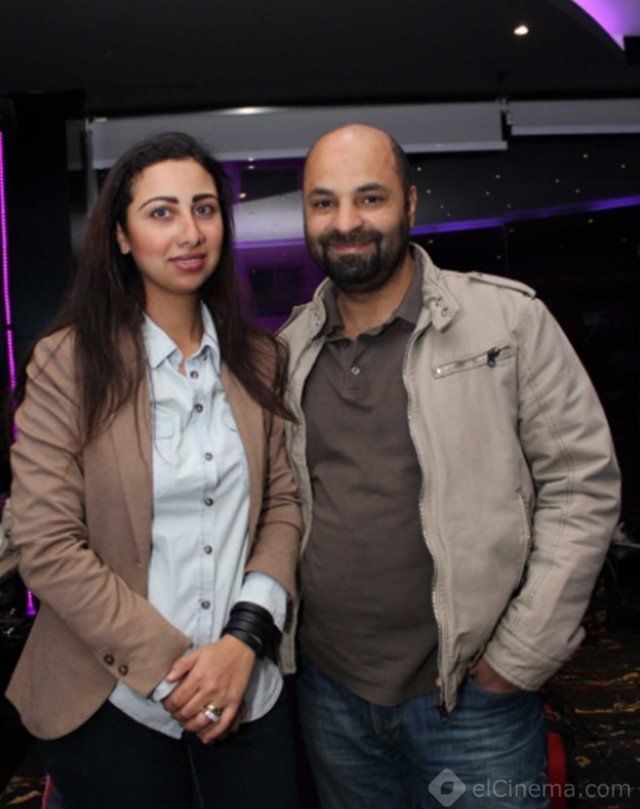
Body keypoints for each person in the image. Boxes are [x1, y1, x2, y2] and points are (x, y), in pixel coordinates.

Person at [278, 124, 621, 808]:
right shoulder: (288, 352)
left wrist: (521, 655)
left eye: (369, 197)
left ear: (409, 203)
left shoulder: (505, 321)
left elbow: (582, 486)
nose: (345, 222)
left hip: (474, 700)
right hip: (332, 695)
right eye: (324, 202)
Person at [6, 132, 302, 809]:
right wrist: (180, 670)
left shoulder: (260, 359)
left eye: (205, 209)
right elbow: (45, 543)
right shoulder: (67, 363)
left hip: (246, 689)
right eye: (161, 212)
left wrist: (242, 642)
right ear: (121, 235)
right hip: (110, 700)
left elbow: (282, 506)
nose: (189, 232)